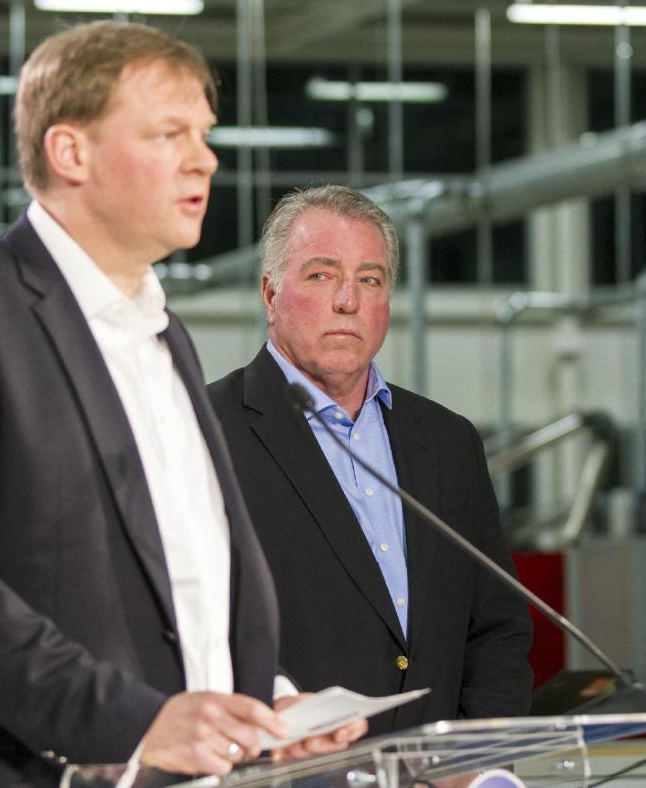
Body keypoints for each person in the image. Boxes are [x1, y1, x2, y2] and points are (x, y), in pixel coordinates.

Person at [0, 23, 361, 788]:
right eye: (168, 133)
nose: (204, 158)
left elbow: (181, 584)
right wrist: (135, 724)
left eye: (204, 134)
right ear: (70, 153)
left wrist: (262, 713)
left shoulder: (166, 336)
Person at [208, 186, 533, 737]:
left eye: (370, 279)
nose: (348, 301)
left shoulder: (448, 441)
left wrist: (476, 754)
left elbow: (497, 626)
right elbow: (197, 626)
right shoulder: (207, 429)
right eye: (321, 275)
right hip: (288, 767)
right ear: (270, 293)